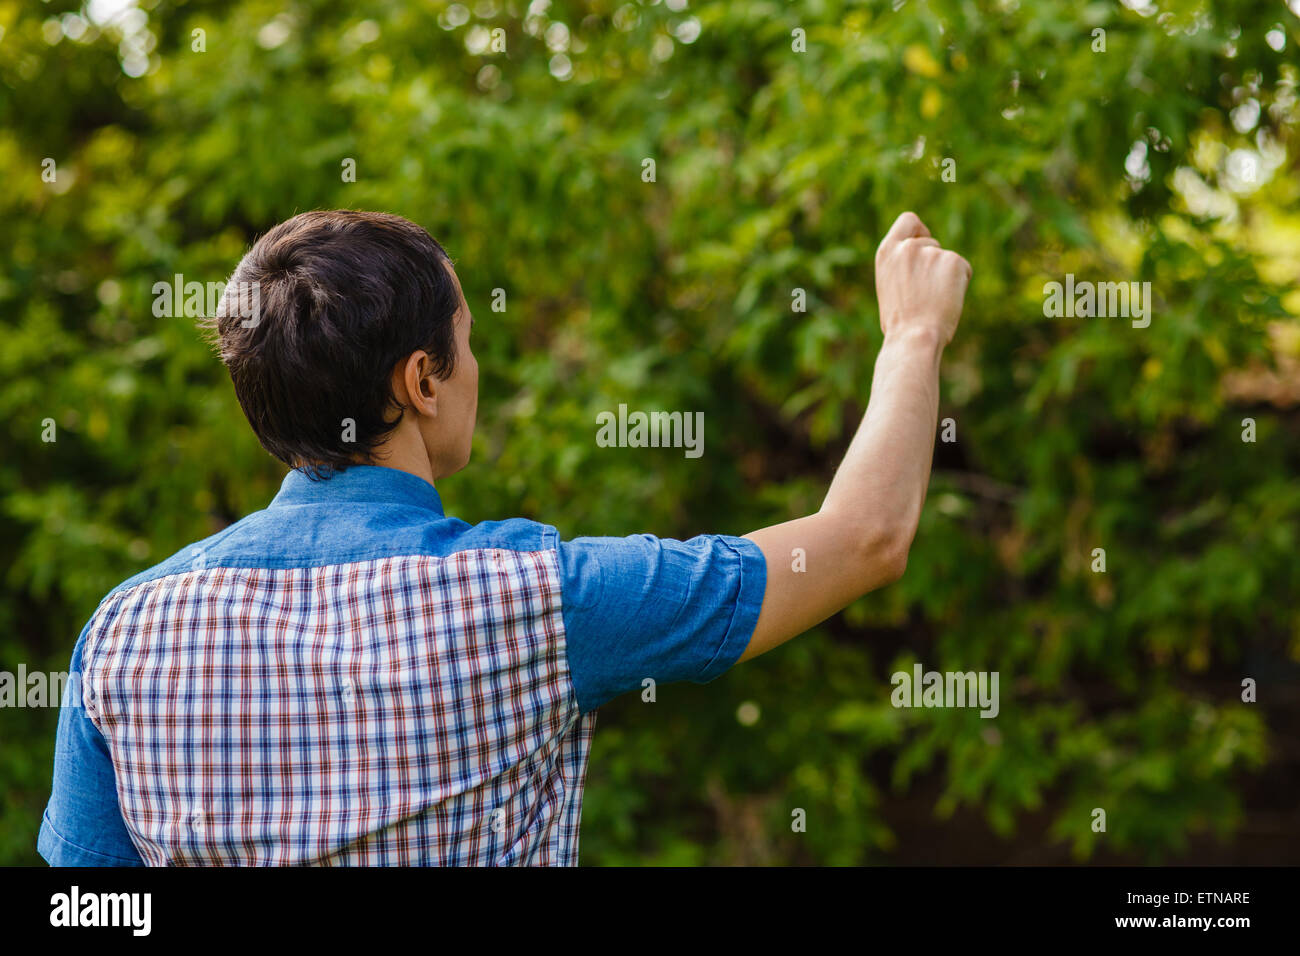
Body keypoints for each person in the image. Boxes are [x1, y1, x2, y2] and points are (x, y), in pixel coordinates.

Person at [38, 208, 970, 866]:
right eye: (468, 340)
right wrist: (913, 336)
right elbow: (863, 541)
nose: (477, 367)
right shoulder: (536, 600)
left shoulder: (127, 630)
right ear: (422, 382)